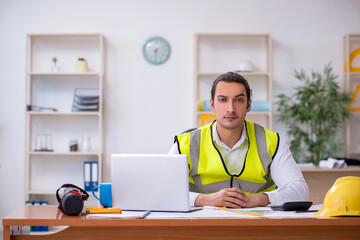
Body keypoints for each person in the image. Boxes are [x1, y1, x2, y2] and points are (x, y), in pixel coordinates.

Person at [169, 72, 309, 208]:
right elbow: (164, 191)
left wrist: (258, 199)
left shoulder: (272, 141)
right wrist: (205, 199)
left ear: (249, 105)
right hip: (203, 226)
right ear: (212, 105)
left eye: (239, 100)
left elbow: (300, 192)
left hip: (258, 226)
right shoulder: (185, 144)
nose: (231, 109)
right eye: (223, 100)